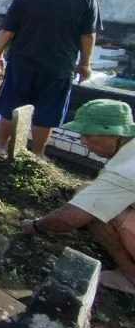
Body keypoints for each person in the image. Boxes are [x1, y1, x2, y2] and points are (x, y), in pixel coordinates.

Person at [0, 0, 100, 157]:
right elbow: (88, 35)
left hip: (22, 62)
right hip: (59, 65)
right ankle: (37, 154)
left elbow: (7, 31)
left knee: (12, 106)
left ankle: (1, 146)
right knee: (47, 111)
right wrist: (85, 63)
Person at [20, 99, 135, 295]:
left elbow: (69, 218)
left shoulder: (124, 170)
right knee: (89, 194)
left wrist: (36, 225)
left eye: (91, 138)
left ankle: (131, 277)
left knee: (96, 209)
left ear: (116, 133)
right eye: (82, 136)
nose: (84, 143)